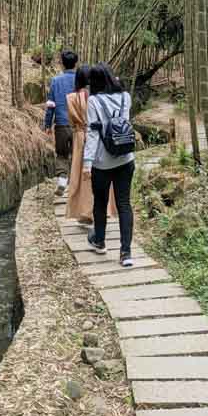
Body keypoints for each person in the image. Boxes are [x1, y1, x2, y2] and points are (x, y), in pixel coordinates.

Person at [83, 62, 135, 267]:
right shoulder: (125, 97)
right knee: (124, 203)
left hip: (102, 162)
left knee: (100, 202)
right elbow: (124, 125)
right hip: (125, 158)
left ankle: (100, 241)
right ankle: (126, 253)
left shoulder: (94, 101)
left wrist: (87, 163)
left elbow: (93, 134)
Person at [66, 65, 117, 225]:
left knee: (83, 175)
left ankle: (85, 211)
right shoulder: (100, 98)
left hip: (81, 137)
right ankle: (105, 209)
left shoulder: (72, 97)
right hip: (99, 136)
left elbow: (72, 121)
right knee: (103, 170)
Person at [44, 48, 78, 195]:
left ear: (62, 64)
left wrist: (47, 124)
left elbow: (50, 105)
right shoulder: (81, 79)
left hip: (61, 125)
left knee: (62, 154)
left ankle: (63, 180)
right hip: (78, 125)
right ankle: (77, 187)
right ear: (75, 63)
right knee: (77, 155)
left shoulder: (55, 81)